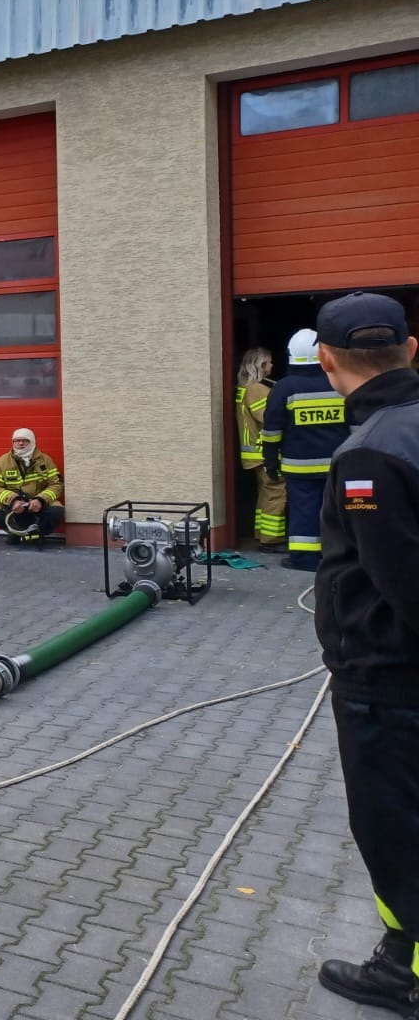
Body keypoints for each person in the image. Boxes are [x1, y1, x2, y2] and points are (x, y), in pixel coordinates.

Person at [308, 292, 419, 1016]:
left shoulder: (369, 454)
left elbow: (403, 581)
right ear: (411, 349)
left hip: (389, 682)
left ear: (326, 361)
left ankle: (403, 973)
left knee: (393, 829)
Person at [262, 328, 350, 571]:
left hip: (299, 466)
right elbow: (355, 421)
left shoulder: (285, 387)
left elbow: (272, 430)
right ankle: (338, 555)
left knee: (304, 511)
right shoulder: (338, 383)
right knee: (337, 510)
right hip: (336, 464)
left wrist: (270, 461)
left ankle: (304, 559)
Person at [235, 347, 287, 551]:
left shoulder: (246, 387)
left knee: (266, 493)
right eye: (269, 362)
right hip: (263, 451)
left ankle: (262, 534)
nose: (272, 365)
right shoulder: (256, 389)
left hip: (255, 453)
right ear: (261, 365)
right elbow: (268, 418)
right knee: (275, 492)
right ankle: (271, 540)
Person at [0, 428, 64, 543]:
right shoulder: (1, 462)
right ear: (13, 442)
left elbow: (56, 484)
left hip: (37, 501)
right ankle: (15, 532)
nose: (20, 443)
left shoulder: (45, 461)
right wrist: (13, 500)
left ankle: (38, 533)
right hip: (12, 502)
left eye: (25, 440)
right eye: (17, 440)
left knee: (57, 511)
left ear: (32, 441)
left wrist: (40, 500)